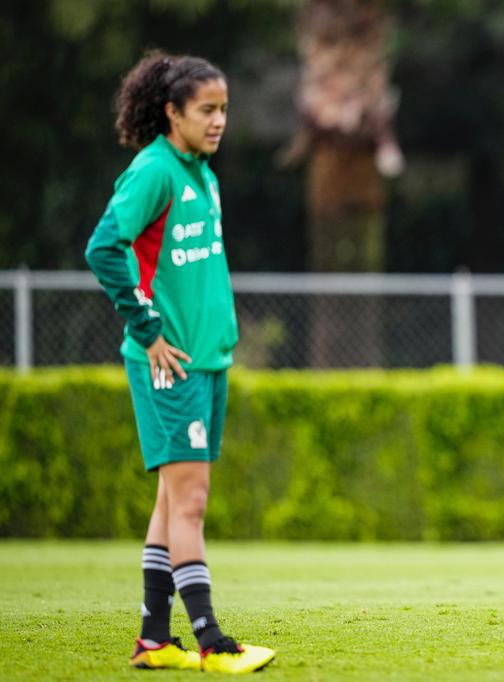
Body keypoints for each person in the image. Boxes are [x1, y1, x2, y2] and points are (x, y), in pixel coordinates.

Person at [85, 51, 275, 672]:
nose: (220, 121)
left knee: (172, 503)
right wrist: (146, 329)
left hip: (207, 361)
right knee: (190, 502)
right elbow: (103, 247)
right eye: (207, 111)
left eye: (224, 110)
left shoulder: (201, 173)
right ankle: (211, 642)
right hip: (170, 364)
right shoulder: (154, 171)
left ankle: (153, 639)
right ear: (172, 112)